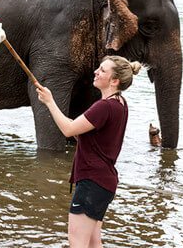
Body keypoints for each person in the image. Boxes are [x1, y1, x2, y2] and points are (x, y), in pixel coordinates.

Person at [36, 56, 141, 247]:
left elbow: (68, 130)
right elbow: (78, 131)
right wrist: (56, 108)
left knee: (76, 241)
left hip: (92, 182)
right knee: (93, 242)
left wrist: (50, 102)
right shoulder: (120, 104)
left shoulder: (103, 107)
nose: (96, 72)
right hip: (104, 183)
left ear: (114, 81)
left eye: (102, 70)